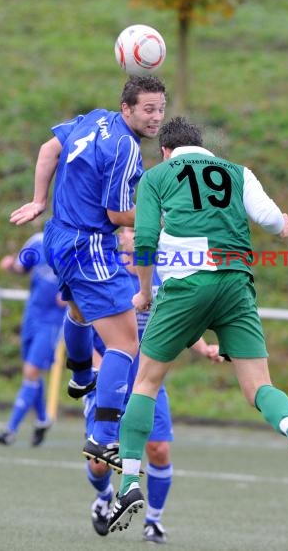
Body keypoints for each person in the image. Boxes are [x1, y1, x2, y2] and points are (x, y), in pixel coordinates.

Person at [107, 116, 288, 533]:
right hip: (236, 284)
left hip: (185, 284)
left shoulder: (157, 176)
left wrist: (143, 291)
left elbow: (144, 240)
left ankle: (127, 486)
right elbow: (271, 221)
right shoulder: (238, 172)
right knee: (257, 387)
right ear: (204, 147)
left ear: (166, 151)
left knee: (146, 383)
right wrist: (284, 224)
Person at [10, 76, 167, 468]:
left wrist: (38, 200)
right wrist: (161, 219)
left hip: (57, 236)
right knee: (126, 342)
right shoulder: (126, 148)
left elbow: (49, 149)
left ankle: (81, 375)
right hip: (89, 246)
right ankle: (103, 437)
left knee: (79, 311)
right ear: (127, 108)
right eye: (148, 109)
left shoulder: (94, 118)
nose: (156, 117)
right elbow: (116, 214)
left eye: (160, 109)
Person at [84, 227, 222, 543]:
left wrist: (204, 348)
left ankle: (154, 521)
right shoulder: (104, 273)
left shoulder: (162, 273)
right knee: (99, 461)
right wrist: (96, 365)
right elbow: (80, 324)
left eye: (142, 229)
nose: (137, 234)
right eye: (131, 229)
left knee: (158, 449)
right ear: (119, 236)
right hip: (110, 381)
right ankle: (104, 497)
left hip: (148, 379)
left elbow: (176, 321)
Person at [0, 231, 66, 446]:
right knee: (31, 372)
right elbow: (20, 267)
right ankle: (43, 419)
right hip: (32, 316)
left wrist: (72, 293)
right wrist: (10, 265)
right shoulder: (37, 242)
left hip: (53, 322)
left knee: (31, 371)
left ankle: (10, 430)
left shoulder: (76, 247)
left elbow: (87, 280)